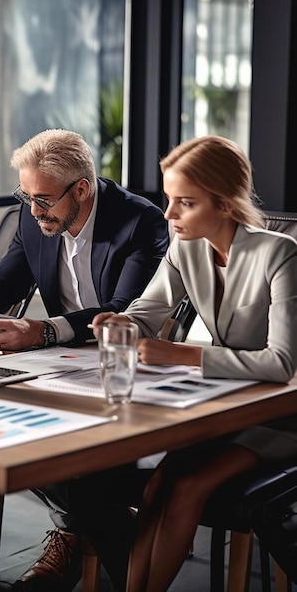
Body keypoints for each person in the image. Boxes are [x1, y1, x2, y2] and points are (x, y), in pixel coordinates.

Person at [0, 129, 169, 590]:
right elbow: (4, 283)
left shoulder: (139, 221)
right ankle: (102, 535)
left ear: (82, 189)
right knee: (10, 436)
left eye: (43, 199)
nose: (33, 210)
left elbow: (123, 309)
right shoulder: (35, 219)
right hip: (62, 364)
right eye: (26, 196)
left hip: (126, 367)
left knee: (56, 461)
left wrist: (44, 329)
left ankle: (79, 537)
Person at [90, 135, 297, 591]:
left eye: (185, 202)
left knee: (186, 487)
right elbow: (148, 311)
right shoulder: (186, 248)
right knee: (156, 488)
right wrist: (120, 322)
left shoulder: (279, 254)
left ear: (224, 204)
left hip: (279, 417)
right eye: (168, 200)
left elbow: (282, 364)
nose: (169, 215)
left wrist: (182, 354)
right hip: (224, 408)